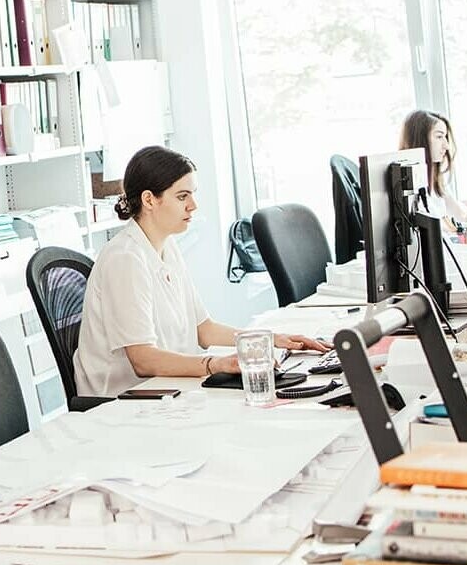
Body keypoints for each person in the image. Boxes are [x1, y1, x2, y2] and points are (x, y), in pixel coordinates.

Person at [73, 146, 329, 396]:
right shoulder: (125, 259)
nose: (193, 205)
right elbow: (143, 360)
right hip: (124, 400)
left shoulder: (166, 245)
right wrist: (214, 364)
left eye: (192, 194)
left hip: (167, 389)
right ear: (149, 199)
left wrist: (272, 339)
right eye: (182, 196)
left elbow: (204, 330)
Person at [399, 109, 467, 232]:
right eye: (439, 136)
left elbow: (461, 215)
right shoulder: (403, 187)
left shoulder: (436, 180)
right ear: (420, 138)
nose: (446, 146)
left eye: (445, 137)